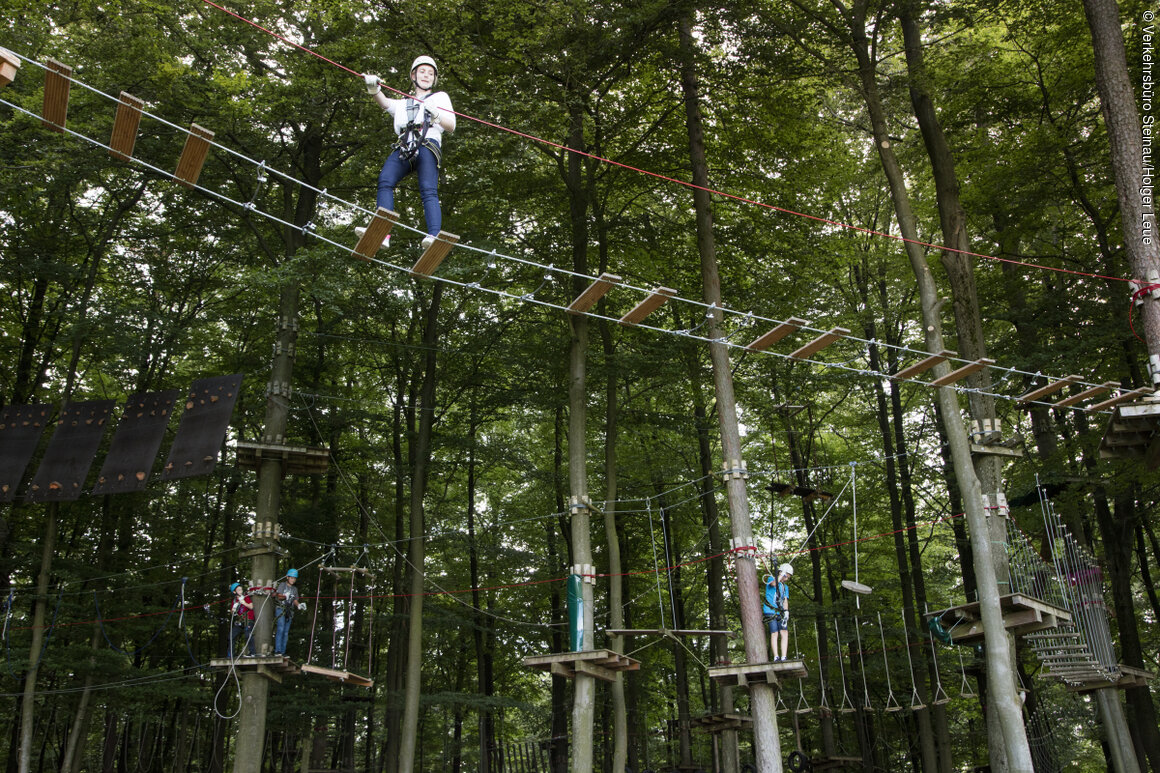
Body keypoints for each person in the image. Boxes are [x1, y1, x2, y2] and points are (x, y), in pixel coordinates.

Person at [360, 55, 456, 250]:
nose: (426, 76)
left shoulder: (440, 97)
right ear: (414, 75)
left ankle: (434, 235)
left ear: (434, 79)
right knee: (385, 180)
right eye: (422, 71)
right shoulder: (404, 103)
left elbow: (451, 126)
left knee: (428, 189)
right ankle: (382, 233)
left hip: (427, 143)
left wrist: (436, 114)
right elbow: (385, 103)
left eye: (430, 73)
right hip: (405, 146)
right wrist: (374, 89)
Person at [762, 563, 793, 662]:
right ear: (781, 573)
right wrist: (780, 575)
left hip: (780, 612)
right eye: (786, 576)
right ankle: (776, 656)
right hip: (770, 611)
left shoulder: (785, 587)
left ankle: (784, 656)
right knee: (774, 632)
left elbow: (785, 600)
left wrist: (786, 612)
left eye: (788, 577)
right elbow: (774, 584)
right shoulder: (771, 579)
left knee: (784, 632)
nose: (786, 579)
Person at [273, 568, 305, 656]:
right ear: (287, 577)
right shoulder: (282, 585)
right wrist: (285, 596)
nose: (293, 580)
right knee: (280, 629)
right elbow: (279, 596)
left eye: (294, 578)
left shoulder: (294, 589)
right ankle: (277, 651)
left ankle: (282, 652)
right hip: (281, 609)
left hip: (289, 611)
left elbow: (295, 600)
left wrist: (299, 605)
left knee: (286, 632)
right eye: (291, 578)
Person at [228, 582, 256, 658]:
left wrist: (243, 602)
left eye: (241, 589)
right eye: (238, 590)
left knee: (248, 634)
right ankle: (231, 655)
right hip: (240, 621)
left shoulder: (246, 597)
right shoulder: (234, 601)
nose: (240, 590)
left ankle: (252, 653)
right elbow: (232, 612)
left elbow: (251, 606)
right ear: (234, 592)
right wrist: (233, 610)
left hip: (248, 619)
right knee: (231, 636)